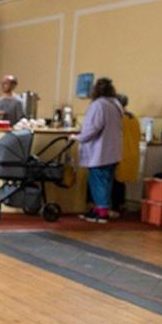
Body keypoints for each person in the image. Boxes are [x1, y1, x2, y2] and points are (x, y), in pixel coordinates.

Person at [72, 77, 123, 223]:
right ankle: (100, 208)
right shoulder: (116, 104)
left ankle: (101, 212)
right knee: (106, 182)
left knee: (98, 181)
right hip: (112, 151)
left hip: (100, 151)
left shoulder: (98, 105)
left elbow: (93, 127)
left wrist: (78, 137)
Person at [111, 93, 140, 216]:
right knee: (120, 180)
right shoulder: (133, 118)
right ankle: (120, 204)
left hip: (118, 152)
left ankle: (114, 207)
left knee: (114, 180)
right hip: (131, 152)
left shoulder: (116, 117)